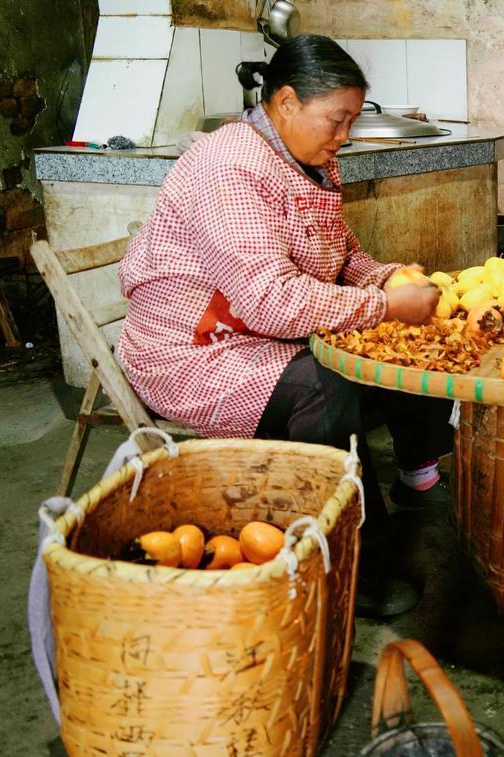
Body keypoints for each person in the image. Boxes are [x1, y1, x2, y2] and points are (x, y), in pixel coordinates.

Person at [118, 34, 450, 613]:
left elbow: (342, 257)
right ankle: (355, 562)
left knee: (410, 340)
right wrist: (386, 305)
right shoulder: (230, 167)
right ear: (288, 102)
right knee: (329, 384)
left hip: (259, 328)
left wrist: (392, 278)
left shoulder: (307, 160)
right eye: (336, 120)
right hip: (198, 347)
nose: (343, 136)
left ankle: (418, 478)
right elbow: (269, 299)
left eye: (350, 121)